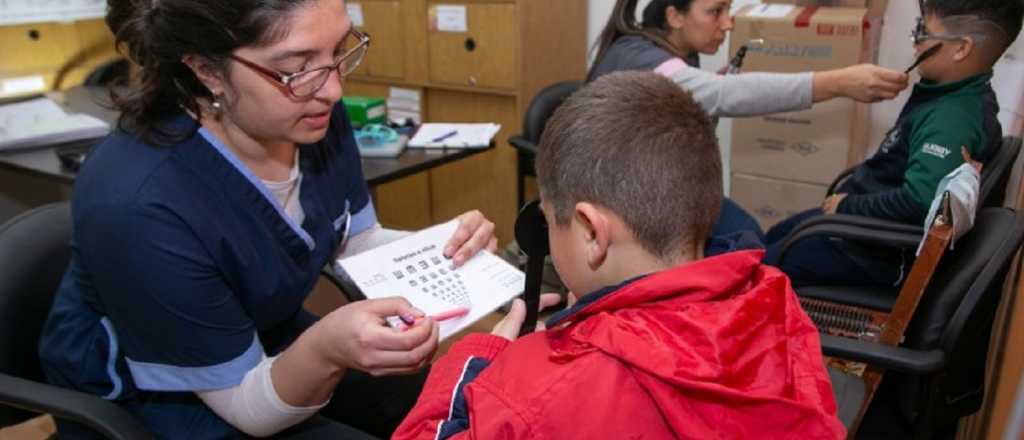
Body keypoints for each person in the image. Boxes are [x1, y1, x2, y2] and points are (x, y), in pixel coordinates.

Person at [37, 0, 498, 438]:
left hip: (266, 337)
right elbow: (248, 409)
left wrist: (444, 248)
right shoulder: (141, 204)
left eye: (338, 50)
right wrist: (326, 348)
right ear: (205, 70)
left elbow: (353, 239)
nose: (334, 88)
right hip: (161, 397)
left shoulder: (307, 111)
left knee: (456, 408)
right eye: (296, 66)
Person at [393, 71, 845, 440]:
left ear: (591, 232)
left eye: (551, 221)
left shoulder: (542, 391)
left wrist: (479, 355)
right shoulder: (775, 303)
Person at [588, 0, 910, 242]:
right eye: (716, 11)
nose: (727, 24)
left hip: (652, 191)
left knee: (749, 236)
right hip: (620, 200)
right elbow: (721, 94)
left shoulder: (677, 56)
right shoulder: (636, 54)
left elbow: (691, 100)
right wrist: (837, 83)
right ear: (674, 16)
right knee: (742, 242)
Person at [764, 0, 1022, 288]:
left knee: (761, 269)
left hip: (870, 252)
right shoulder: (954, 96)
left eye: (924, 32)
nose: (915, 42)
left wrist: (847, 206)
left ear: (961, 48)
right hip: (859, 230)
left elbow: (919, 202)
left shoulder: (950, 120)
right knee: (772, 238)